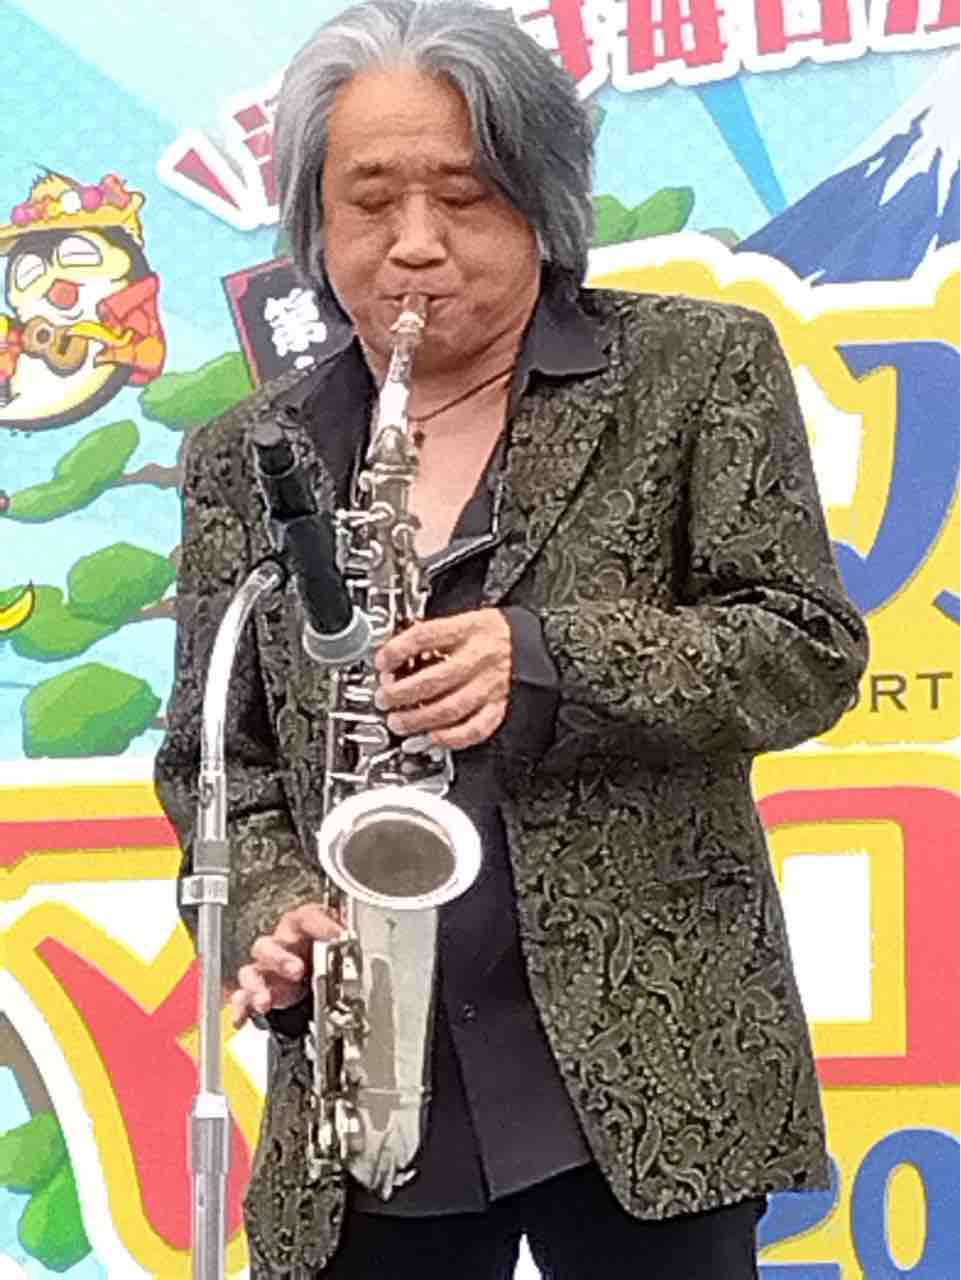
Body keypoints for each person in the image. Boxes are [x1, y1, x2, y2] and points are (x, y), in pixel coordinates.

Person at [154, 2, 869, 1276]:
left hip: (652, 1061)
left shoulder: (693, 368)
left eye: (464, 197)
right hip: (367, 1085)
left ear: (543, 202)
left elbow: (802, 644)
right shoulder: (247, 458)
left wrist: (545, 661)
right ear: (313, 224)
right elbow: (220, 762)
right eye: (369, 202)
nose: (413, 245)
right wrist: (274, 907)